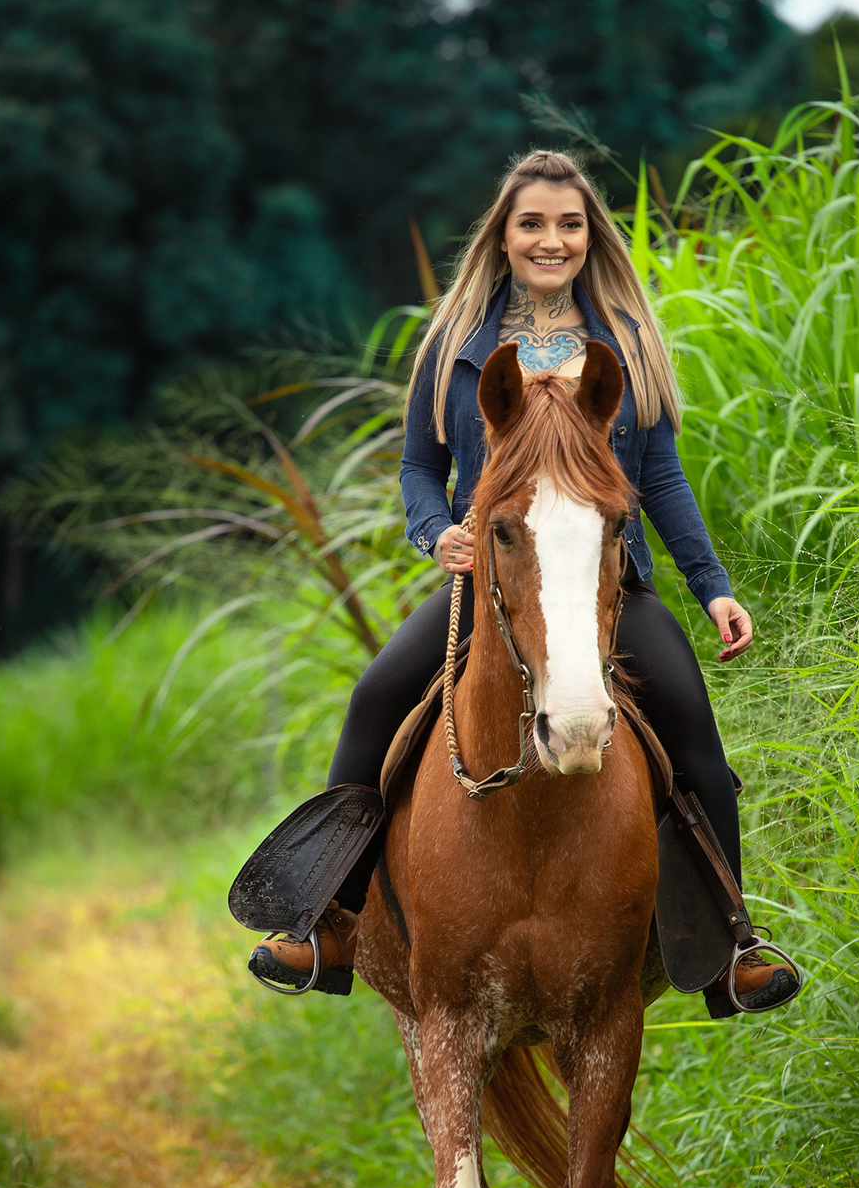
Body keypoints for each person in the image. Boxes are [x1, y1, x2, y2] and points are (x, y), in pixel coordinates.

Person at [248, 150, 794, 1011]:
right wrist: (439, 535)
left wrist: (712, 584)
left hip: (615, 590)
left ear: (590, 236)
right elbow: (419, 468)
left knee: (696, 740)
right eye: (532, 223)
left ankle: (734, 946)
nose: (552, 239)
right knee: (375, 700)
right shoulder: (455, 347)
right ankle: (332, 922)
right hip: (494, 585)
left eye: (569, 224)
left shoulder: (629, 343)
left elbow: (661, 481)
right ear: (503, 236)